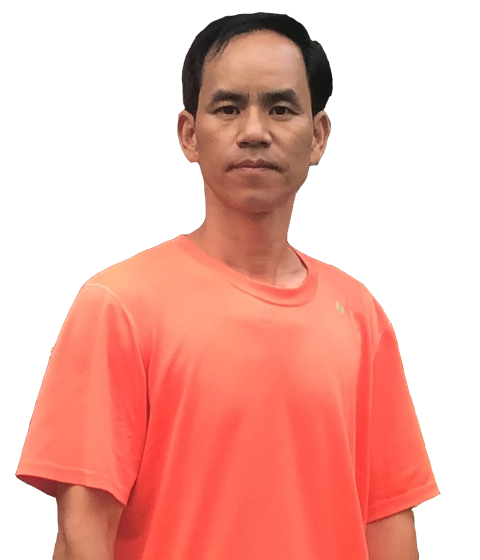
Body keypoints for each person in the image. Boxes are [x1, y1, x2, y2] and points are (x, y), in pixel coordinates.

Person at [16, 13, 438, 560]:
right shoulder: (119, 308)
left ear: (318, 136)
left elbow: (387, 521)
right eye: (228, 108)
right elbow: (84, 532)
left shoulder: (359, 315)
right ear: (190, 135)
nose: (255, 130)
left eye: (281, 108)